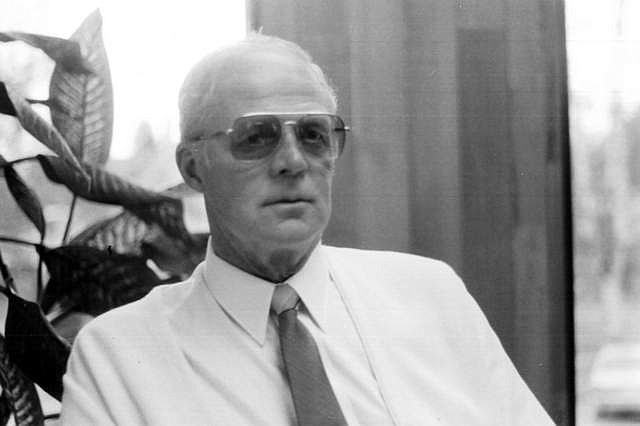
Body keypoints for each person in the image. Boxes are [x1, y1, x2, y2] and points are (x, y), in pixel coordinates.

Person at [60, 33, 555, 425]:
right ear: (193, 168)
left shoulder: (431, 295)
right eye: (257, 136)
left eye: (315, 134)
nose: (293, 161)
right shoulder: (119, 356)